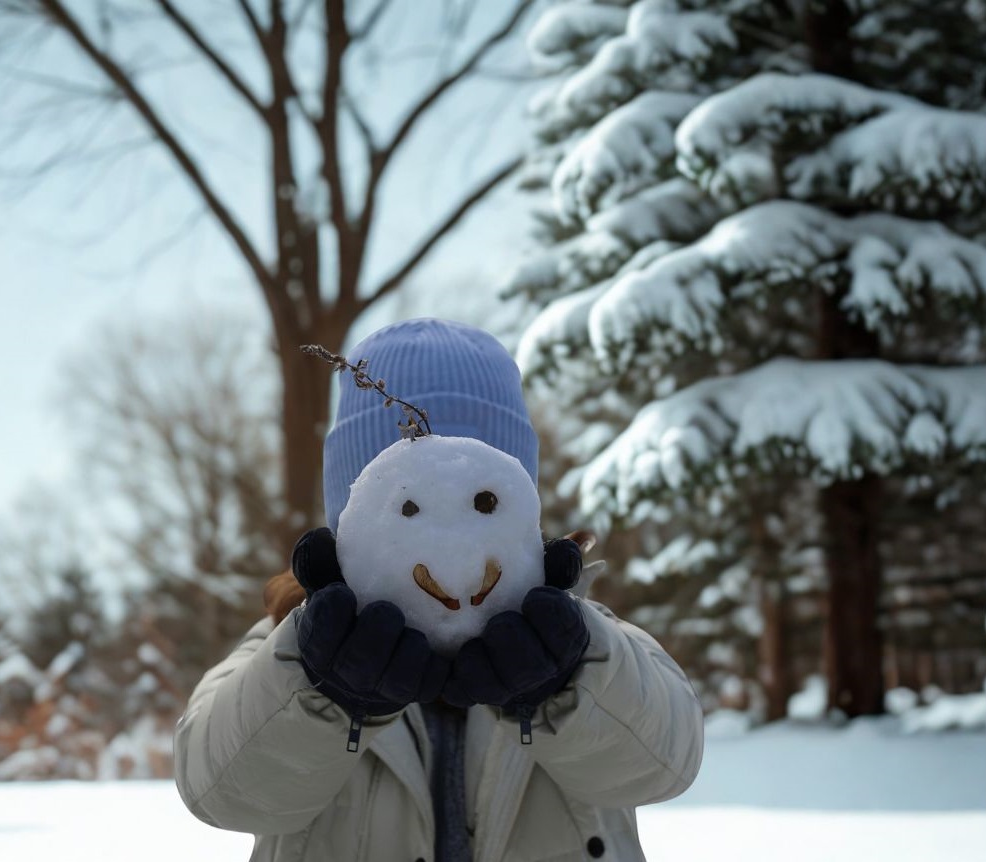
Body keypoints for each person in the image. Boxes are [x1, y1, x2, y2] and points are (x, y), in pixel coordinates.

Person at [174, 318, 704, 862]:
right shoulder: (291, 644)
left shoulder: (580, 633)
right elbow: (220, 790)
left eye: (481, 506)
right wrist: (320, 692)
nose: (448, 548)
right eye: (408, 511)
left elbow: (666, 759)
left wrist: (569, 680)